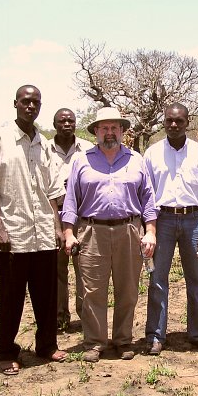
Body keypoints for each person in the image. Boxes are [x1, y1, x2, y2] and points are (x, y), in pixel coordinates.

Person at [0, 85, 67, 375]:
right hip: (12, 235)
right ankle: (6, 351)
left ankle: (47, 345)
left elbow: (53, 190)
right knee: (10, 297)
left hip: (43, 232)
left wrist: (56, 225)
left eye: (36, 102)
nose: (31, 106)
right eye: (26, 101)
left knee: (46, 295)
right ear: (15, 103)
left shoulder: (44, 144)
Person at [62, 107, 157, 363]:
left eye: (115, 127)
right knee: (92, 290)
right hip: (92, 232)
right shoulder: (81, 161)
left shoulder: (137, 160)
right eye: (104, 128)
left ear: (123, 131)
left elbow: (148, 199)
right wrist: (69, 233)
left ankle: (123, 340)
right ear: (96, 132)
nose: (110, 132)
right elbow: (71, 200)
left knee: (127, 289)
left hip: (129, 230)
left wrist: (150, 231)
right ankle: (94, 342)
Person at [144, 103, 198, 356]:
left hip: (193, 220)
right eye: (169, 121)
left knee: (195, 280)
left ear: (188, 122)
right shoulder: (152, 154)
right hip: (162, 220)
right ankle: (156, 336)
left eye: (179, 121)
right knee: (157, 279)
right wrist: (149, 229)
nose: (174, 125)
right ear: (164, 122)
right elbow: (146, 195)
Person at [49, 108, 93, 330]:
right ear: (54, 124)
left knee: (83, 266)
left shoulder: (87, 149)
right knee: (57, 269)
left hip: (81, 215)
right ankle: (59, 316)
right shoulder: (44, 149)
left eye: (71, 121)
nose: (66, 124)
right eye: (62, 121)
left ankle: (84, 314)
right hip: (54, 215)